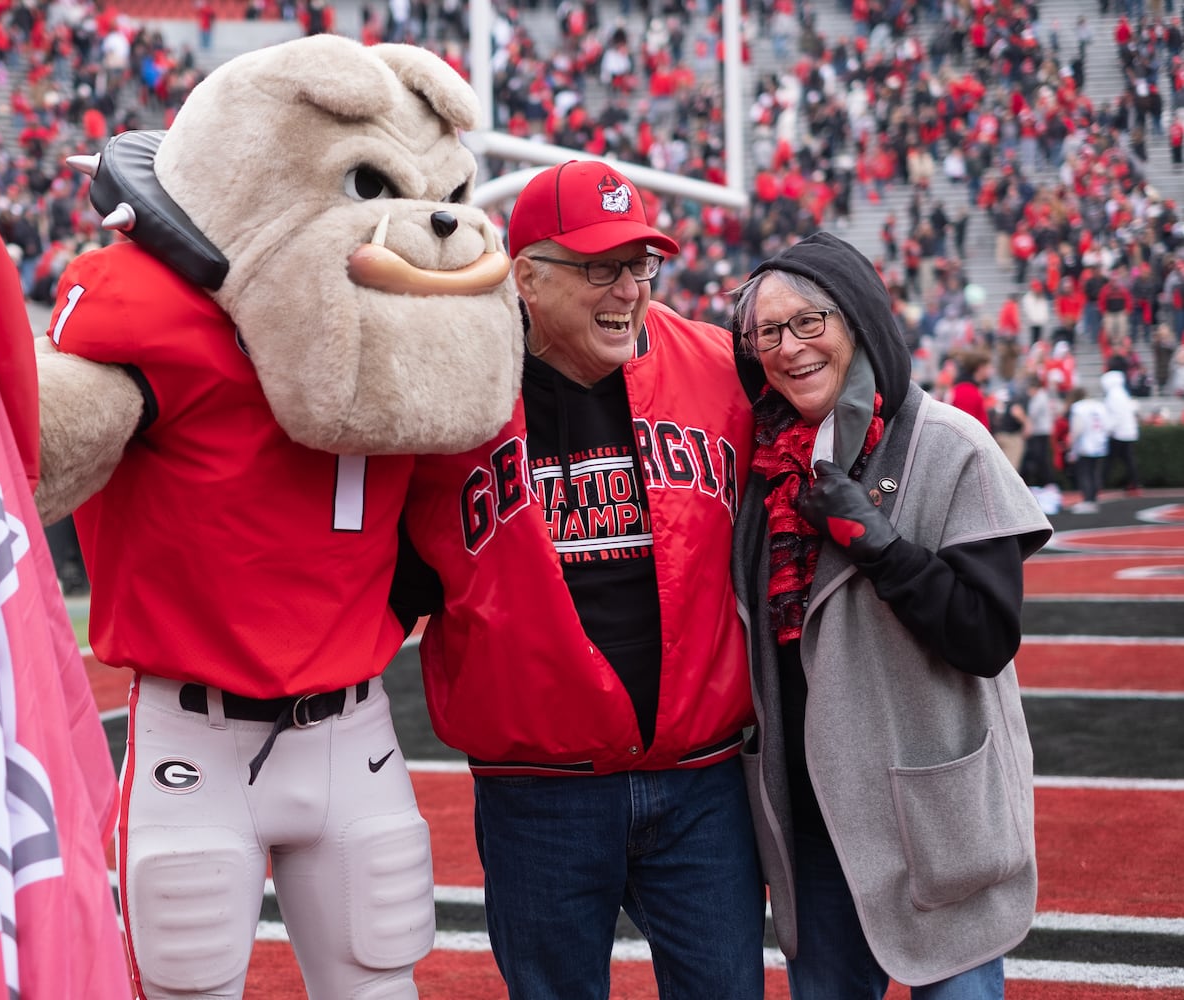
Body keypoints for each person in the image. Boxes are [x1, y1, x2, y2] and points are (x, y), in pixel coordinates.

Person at [394, 159, 765, 1000]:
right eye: (601, 268)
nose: (630, 291)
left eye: (641, 266)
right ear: (526, 276)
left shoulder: (722, 369)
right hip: (538, 795)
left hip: (701, 781)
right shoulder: (450, 391)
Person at [728, 232, 1052, 999]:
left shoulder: (949, 444)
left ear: (860, 320)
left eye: (810, 321)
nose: (789, 348)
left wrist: (882, 547)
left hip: (930, 817)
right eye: (768, 332)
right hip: (814, 822)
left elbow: (985, 635)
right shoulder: (761, 466)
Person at [1067, 385, 1111, 512]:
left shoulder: (1078, 408)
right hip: (1100, 443)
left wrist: (1072, 446)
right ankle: (1094, 498)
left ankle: (1088, 500)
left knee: (1084, 473)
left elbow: (1077, 429)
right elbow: (1107, 425)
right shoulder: (1099, 406)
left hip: (1085, 444)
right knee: (1094, 472)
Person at [1101, 367, 1141, 495]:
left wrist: (1108, 430)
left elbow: (1115, 416)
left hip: (1119, 433)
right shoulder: (1123, 393)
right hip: (1127, 432)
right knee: (1128, 460)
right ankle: (1134, 482)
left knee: (1110, 460)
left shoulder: (1113, 396)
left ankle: (1099, 483)